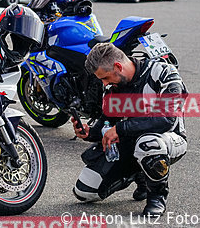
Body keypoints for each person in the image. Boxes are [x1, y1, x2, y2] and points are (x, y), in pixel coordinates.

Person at [72, 43, 187, 216]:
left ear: (118, 66)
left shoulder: (163, 73)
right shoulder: (112, 86)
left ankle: (157, 196)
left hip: (170, 138)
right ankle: (139, 174)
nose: (104, 83)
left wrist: (121, 128)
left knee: (148, 144)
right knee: (85, 190)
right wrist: (90, 132)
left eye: (105, 77)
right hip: (130, 144)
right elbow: (107, 120)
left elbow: (166, 119)